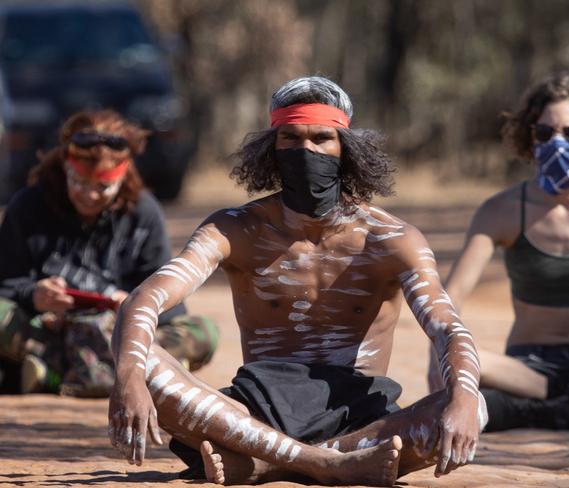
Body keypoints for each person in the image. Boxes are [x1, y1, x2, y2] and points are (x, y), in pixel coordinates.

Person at [108, 76, 487, 486]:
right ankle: (322, 465)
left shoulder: (391, 240)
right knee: (138, 357)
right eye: (290, 137)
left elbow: (447, 326)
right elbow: (142, 301)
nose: (305, 150)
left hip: (357, 421)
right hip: (255, 411)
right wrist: (128, 375)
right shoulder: (236, 229)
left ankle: (269, 463)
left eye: (322, 138)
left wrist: (463, 398)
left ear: (347, 150)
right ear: (271, 150)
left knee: (474, 403)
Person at [427, 72, 569, 432]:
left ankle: (554, 410)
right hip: (526, 370)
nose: (558, 143)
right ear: (531, 137)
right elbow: (448, 305)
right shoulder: (501, 210)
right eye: (545, 133)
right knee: (454, 357)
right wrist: (442, 363)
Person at [0, 110, 218, 397]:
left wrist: (134, 305)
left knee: (205, 333)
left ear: (124, 174)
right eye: (79, 182)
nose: (89, 195)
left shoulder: (144, 212)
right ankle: (144, 374)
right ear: (66, 167)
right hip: (48, 332)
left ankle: (54, 375)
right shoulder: (28, 205)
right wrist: (35, 295)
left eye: (103, 186)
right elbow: (6, 283)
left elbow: (171, 298)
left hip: (119, 338)